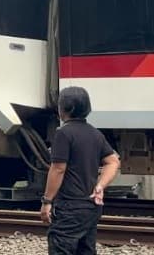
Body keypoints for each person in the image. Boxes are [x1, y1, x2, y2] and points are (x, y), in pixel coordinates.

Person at [41, 86, 121, 255]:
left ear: (65, 109)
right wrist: (100, 186)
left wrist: (47, 201)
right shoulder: (95, 133)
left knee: (61, 248)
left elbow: (58, 169)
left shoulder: (63, 133)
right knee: (86, 250)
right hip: (91, 206)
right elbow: (113, 161)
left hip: (70, 207)